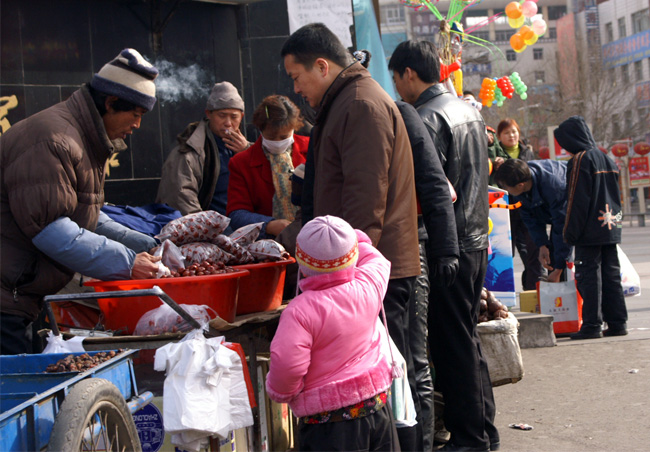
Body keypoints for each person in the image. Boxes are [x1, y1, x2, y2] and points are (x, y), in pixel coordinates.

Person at [281, 23, 421, 450]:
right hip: (354, 276)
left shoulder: (359, 104)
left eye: (297, 77)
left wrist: (346, 279)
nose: (296, 88)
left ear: (322, 66)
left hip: (368, 275)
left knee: (383, 391)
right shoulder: (346, 100)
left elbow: (365, 204)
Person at [0, 48, 162, 355]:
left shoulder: (81, 138)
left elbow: (86, 215)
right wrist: (127, 263)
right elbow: (51, 228)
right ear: (111, 102)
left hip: (20, 295)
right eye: (136, 115)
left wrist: (146, 244)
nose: (137, 126)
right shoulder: (53, 139)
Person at [389, 40, 498, 452]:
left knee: (451, 344)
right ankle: (483, 430)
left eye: (397, 78)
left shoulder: (426, 118)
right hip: (475, 239)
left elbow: (433, 190)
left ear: (410, 74)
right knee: (465, 338)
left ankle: (471, 437)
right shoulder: (468, 109)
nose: (397, 88)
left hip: (446, 243)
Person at [354, 49, 458, 451]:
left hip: (407, 257)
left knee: (412, 362)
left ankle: (423, 444)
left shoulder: (402, 115)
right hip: (364, 266)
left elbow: (436, 186)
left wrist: (446, 249)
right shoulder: (344, 122)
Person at [266, 215, 400, 451]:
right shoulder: (368, 284)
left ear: (302, 262)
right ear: (352, 255)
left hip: (330, 425)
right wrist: (351, 237)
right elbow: (376, 258)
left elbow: (287, 364)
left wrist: (282, 392)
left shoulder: (299, 311)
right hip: (377, 409)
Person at [554, 115, 628, 340]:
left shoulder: (580, 160)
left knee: (589, 276)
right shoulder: (608, 160)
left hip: (589, 231)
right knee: (610, 275)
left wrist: (569, 233)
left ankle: (591, 325)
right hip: (610, 226)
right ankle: (617, 322)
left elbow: (576, 201)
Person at [156, 81, 250, 216]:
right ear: (209, 114)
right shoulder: (190, 152)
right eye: (222, 115)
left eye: (234, 116)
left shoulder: (248, 149)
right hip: (212, 227)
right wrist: (207, 229)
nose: (228, 123)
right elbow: (181, 199)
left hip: (243, 223)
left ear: (241, 116)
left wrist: (247, 153)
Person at [226, 95, 309, 239]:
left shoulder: (312, 149)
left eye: (283, 137)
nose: (277, 142)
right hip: (268, 243)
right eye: (271, 137)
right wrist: (269, 225)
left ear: (293, 129)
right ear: (260, 130)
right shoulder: (241, 163)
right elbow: (236, 214)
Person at [494, 159, 571, 283]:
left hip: (583, 211)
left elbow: (562, 227)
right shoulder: (520, 179)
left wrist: (558, 269)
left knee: (571, 260)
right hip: (560, 215)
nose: (505, 191)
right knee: (552, 256)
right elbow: (529, 218)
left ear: (520, 185)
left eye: (505, 187)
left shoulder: (553, 186)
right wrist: (542, 245)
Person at [494, 118, 544, 291]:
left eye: (514, 131)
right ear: (499, 136)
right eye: (506, 133)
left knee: (532, 252)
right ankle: (502, 294)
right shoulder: (493, 153)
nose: (511, 135)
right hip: (503, 212)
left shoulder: (527, 152)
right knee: (504, 254)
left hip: (526, 208)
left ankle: (532, 290)